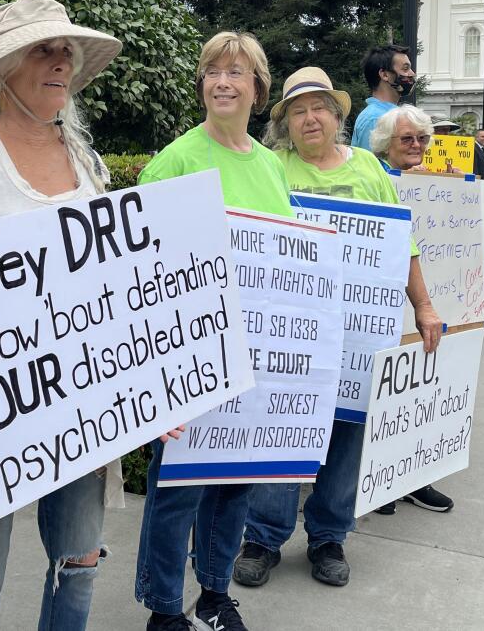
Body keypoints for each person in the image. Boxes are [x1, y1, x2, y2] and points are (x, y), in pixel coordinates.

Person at [0, 0, 165, 631]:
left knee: (79, 560)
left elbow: (117, 287)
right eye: (41, 50)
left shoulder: (89, 164)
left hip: (85, 396)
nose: (59, 62)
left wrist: (154, 384)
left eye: (66, 52)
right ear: (1, 67)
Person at [232, 79, 445, 592]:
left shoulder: (369, 167)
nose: (310, 119)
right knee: (285, 426)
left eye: (319, 109)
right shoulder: (272, 166)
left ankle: (329, 535)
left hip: (358, 332)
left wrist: (424, 303)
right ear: (284, 124)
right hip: (292, 331)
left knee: (348, 432)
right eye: (298, 112)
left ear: (336, 118)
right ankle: (263, 537)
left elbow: (402, 243)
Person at [134, 31, 290, 631]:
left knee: (235, 482)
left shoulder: (273, 165)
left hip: (256, 353)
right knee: (179, 486)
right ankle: (164, 608)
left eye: (236, 72)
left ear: (257, 87)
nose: (222, 82)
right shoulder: (174, 162)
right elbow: (143, 269)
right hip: (188, 352)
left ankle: (215, 595)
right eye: (212, 72)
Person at [350, 44, 414, 150]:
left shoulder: (386, 114)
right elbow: (372, 165)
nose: (412, 73)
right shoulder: (375, 119)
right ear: (384, 75)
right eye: (405, 68)